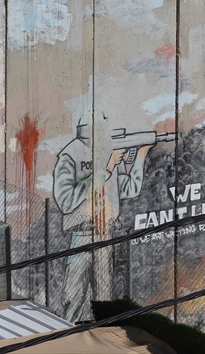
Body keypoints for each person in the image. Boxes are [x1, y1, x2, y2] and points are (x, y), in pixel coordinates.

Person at [53, 118, 156, 321]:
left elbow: (129, 188)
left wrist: (139, 158)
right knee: (73, 297)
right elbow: (65, 201)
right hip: (81, 234)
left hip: (104, 234)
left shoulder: (108, 151)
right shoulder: (70, 154)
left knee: (104, 301)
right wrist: (105, 169)